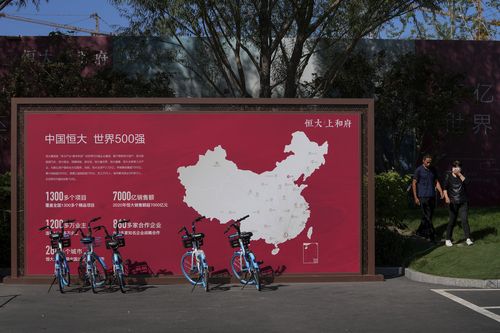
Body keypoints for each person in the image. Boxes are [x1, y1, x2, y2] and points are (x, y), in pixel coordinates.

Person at [412, 154, 443, 242]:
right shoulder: (418, 170)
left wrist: (441, 191)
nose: (429, 164)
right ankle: (431, 235)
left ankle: (419, 231)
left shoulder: (433, 170)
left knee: (428, 216)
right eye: (427, 162)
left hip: (432, 196)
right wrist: (416, 197)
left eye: (430, 162)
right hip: (422, 196)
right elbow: (414, 183)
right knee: (427, 216)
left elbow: (436, 181)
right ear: (423, 161)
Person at [443, 160, 473, 246]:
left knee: (464, 220)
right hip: (452, 202)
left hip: (463, 202)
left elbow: (467, 182)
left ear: (460, 168)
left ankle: (468, 238)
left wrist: (459, 174)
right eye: (455, 167)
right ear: (452, 168)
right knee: (452, 220)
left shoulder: (462, 175)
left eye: (458, 167)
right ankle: (448, 239)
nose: (456, 169)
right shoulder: (448, 176)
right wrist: (446, 197)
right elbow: (445, 188)